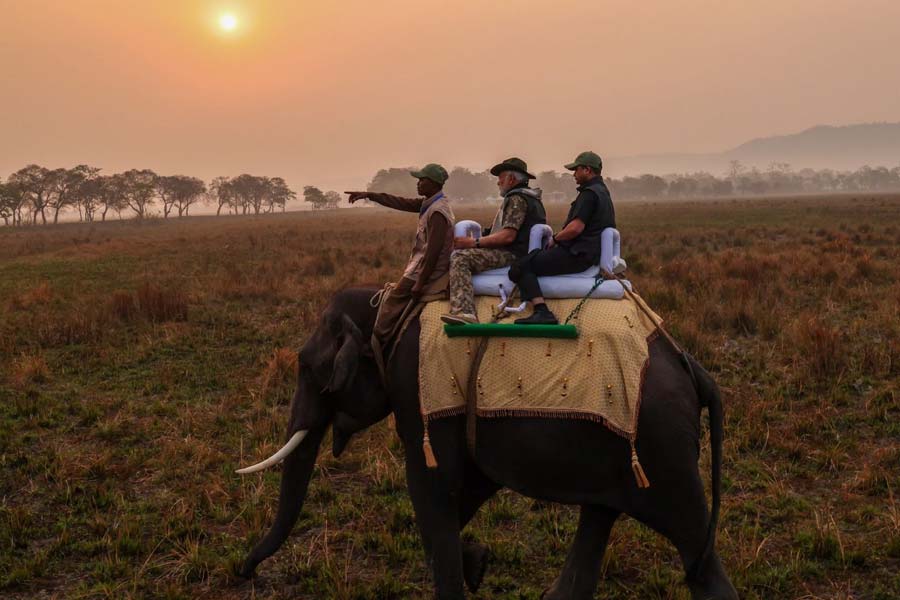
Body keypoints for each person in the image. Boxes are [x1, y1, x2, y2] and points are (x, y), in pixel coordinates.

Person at [345, 163, 454, 353]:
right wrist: (370, 195)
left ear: (434, 183)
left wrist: (420, 282)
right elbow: (399, 202)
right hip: (420, 267)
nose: (418, 183)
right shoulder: (430, 204)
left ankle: (377, 345)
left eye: (422, 180)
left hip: (426, 271)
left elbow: (432, 253)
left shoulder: (437, 212)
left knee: (391, 303)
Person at [509, 151, 616, 325]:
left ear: (587, 170)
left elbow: (575, 228)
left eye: (577, 170)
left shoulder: (588, 194)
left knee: (521, 266)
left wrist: (556, 239)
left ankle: (541, 311)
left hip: (577, 254)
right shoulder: (603, 192)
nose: (574, 174)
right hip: (590, 253)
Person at [441, 157, 546, 325]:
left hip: (513, 253)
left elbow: (508, 236)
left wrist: (473, 243)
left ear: (512, 179)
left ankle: (465, 313)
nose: (498, 183)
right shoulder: (532, 198)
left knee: (460, 258)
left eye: (501, 178)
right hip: (523, 252)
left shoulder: (516, 199)